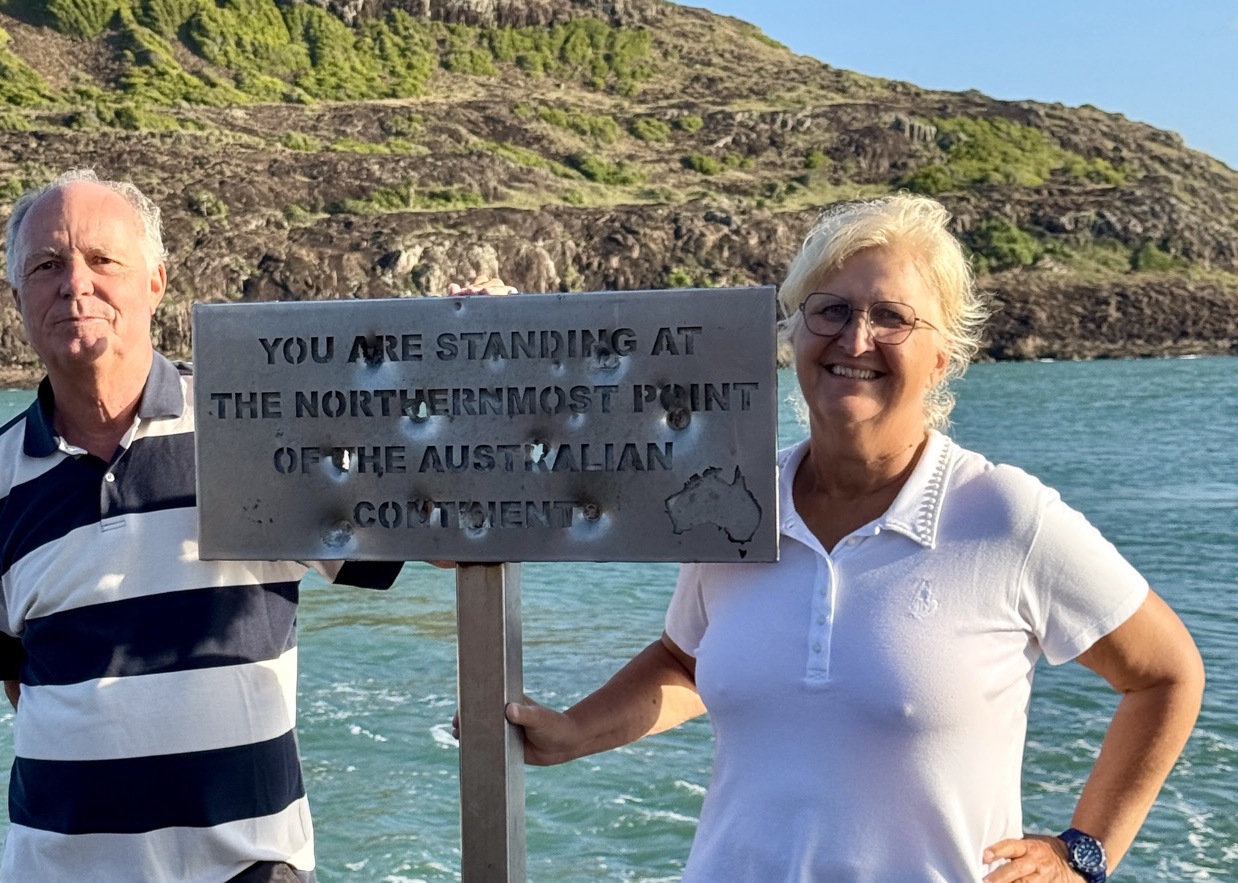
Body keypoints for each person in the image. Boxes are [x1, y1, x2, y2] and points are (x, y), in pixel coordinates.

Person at [502, 195, 1205, 882]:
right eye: (831, 310)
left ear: (942, 357)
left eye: (891, 317)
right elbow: (688, 663)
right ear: (794, 333)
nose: (856, 339)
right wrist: (574, 732)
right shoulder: (733, 500)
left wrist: (1082, 851)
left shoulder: (1003, 515)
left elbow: (1165, 674)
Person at [0, 168, 497, 882]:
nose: (75, 284)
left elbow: (446, 539)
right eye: (46, 265)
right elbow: (20, 677)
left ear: (156, 282)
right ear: (15, 296)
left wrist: (478, 362)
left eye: (104, 259)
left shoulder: (255, 428)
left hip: (248, 869)